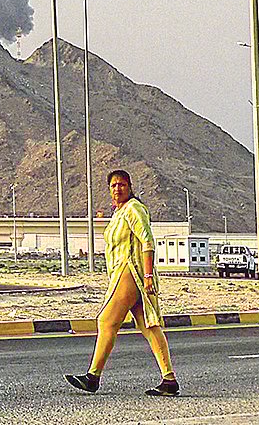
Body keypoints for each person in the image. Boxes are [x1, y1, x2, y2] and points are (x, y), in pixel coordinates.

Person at [66, 169, 178, 398]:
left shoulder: (134, 209)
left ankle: (93, 377)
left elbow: (148, 241)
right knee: (149, 326)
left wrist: (148, 276)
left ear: (130, 187)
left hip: (131, 272)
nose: (117, 189)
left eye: (122, 184)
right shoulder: (119, 213)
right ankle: (169, 379)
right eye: (114, 185)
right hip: (122, 273)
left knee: (106, 320)